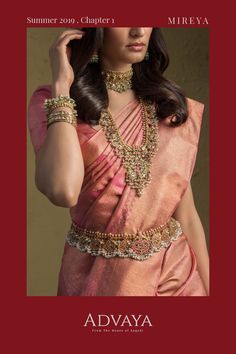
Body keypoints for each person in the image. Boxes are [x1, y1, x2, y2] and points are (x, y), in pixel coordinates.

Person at [28, 27, 209, 296]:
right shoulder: (55, 101)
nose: (138, 31)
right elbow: (63, 190)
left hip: (178, 279)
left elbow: (187, 215)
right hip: (97, 283)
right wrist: (62, 88)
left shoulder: (168, 104)